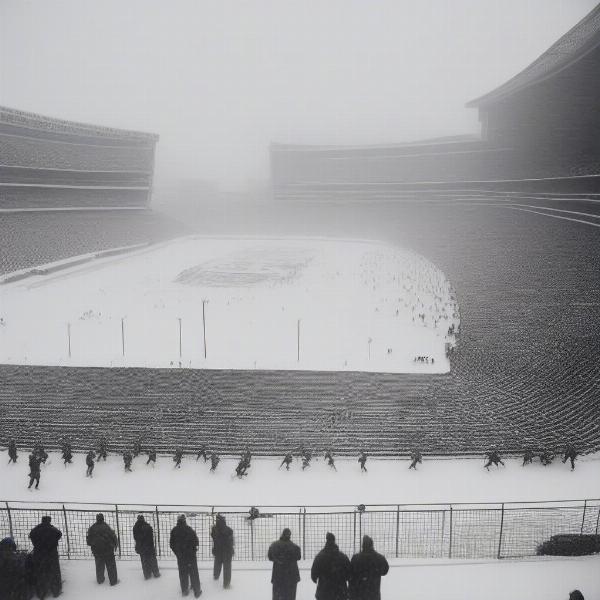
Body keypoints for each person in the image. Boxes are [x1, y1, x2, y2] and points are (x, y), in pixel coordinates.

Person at [29, 515, 63, 599]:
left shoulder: (36, 529)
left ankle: (41, 593)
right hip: (51, 554)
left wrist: (37, 543)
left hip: (39, 554)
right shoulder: (52, 529)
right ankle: (56, 591)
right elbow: (59, 534)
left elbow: (31, 534)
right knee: (54, 572)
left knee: (40, 572)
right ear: (49, 521)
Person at [311, 532, 351, 600]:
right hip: (340, 591)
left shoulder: (320, 556)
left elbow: (314, 575)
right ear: (334, 541)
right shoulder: (342, 556)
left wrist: (317, 579)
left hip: (324, 591)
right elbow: (349, 574)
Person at [170, 514, 202, 598]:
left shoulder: (174, 530)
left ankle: (184, 590)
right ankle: (197, 591)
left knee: (183, 573)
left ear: (178, 521)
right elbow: (196, 542)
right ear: (185, 520)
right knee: (194, 573)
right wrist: (193, 550)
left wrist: (177, 553)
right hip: (191, 556)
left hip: (181, 557)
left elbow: (171, 544)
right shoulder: (190, 530)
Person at [349, 535, 389, 600]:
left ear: (362, 546)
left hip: (359, 594)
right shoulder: (379, 558)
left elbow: (350, 576)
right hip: (373, 594)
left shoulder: (356, 558)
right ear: (372, 545)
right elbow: (385, 571)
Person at [268, 528, 301, 600]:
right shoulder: (295, 547)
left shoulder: (274, 546)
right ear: (290, 536)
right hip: (291, 576)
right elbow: (298, 557)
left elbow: (270, 557)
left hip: (278, 575)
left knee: (277, 596)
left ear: (282, 534)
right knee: (290, 596)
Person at [86, 513, 119, 586]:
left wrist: (95, 544)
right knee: (111, 566)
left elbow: (88, 542)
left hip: (97, 552)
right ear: (103, 518)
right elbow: (113, 537)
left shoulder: (92, 528)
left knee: (99, 566)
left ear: (96, 519)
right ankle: (113, 581)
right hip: (108, 551)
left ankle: (100, 580)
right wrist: (115, 545)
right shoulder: (107, 527)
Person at [132, 515, 160, 580]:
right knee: (153, 560)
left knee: (144, 561)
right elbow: (151, 537)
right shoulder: (148, 526)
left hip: (141, 547)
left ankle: (147, 574)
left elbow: (135, 537)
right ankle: (156, 573)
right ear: (143, 519)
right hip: (149, 546)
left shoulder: (135, 527)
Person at [211, 514, 234, 589]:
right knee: (227, 567)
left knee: (217, 563)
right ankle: (226, 584)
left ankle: (216, 576)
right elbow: (231, 541)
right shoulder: (229, 530)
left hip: (218, 550)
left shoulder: (214, 529)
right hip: (227, 551)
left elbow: (212, 536)